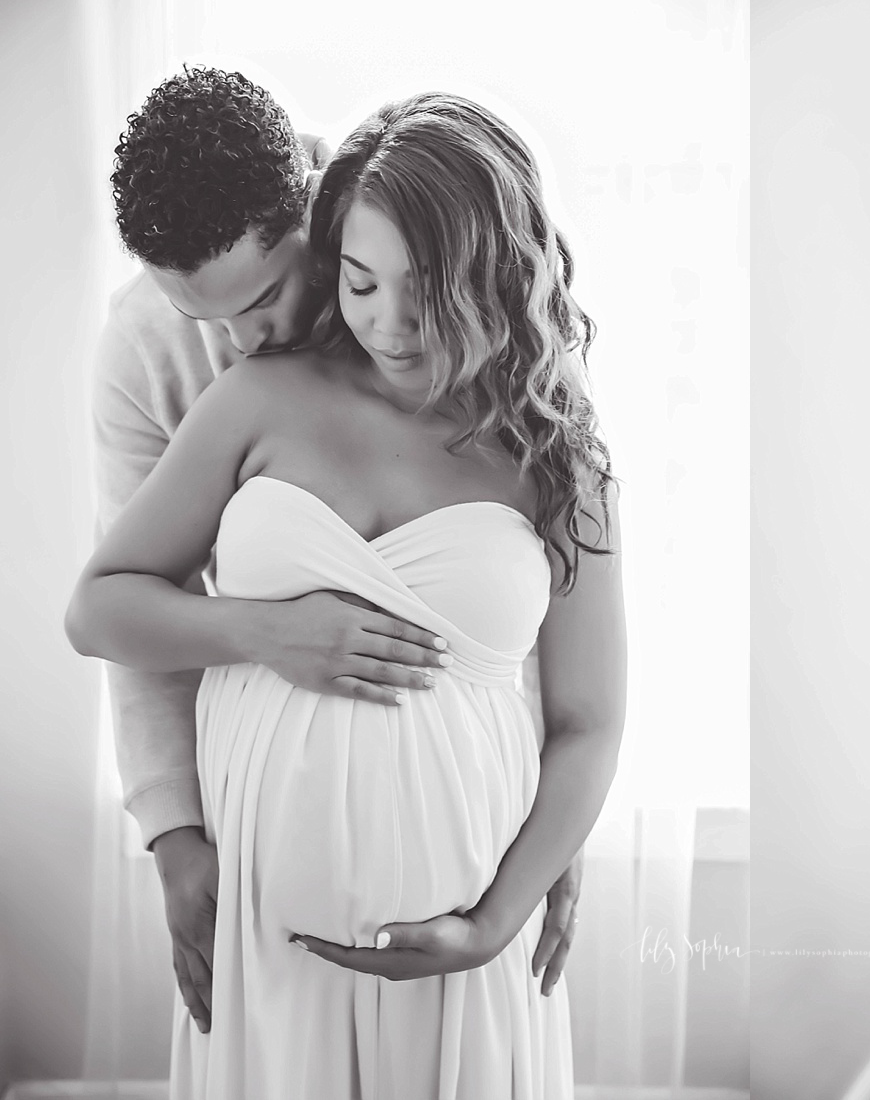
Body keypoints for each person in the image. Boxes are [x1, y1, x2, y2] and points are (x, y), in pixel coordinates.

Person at [68, 90, 625, 1098]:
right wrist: (173, 830)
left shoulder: (534, 407)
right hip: (267, 909)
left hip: (469, 885)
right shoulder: (194, 370)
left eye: (268, 296)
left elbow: (578, 690)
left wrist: (535, 859)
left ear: (316, 224)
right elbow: (114, 602)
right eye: (365, 287)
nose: (241, 338)